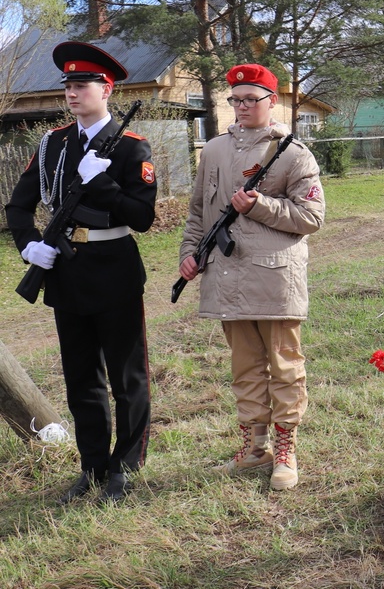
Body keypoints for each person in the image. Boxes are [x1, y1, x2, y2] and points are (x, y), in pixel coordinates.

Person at [5, 41, 157, 505]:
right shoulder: (53, 144)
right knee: (81, 379)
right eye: (68, 86)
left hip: (114, 272)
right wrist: (30, 244)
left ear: (106, 89)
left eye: (81, 85)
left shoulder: (133, 147)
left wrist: (101, 182)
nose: (72, 93)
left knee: (127, 378)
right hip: (65, 274)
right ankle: (92, 466)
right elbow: (18, 204)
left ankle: (124, 468)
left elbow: (143, 217)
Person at [178, 64, 325, 491]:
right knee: (244, 366)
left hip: (275, 279)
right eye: (235, 100)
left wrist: (259, 205)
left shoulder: (292, 152)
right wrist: (190, 254)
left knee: (284, 366)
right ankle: (254, 447)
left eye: (250, 99)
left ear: (271, 101)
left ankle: (285, 448)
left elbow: (312, 217)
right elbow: (196, 214)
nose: (241, 107)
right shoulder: (215, 152)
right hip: (227, 276)